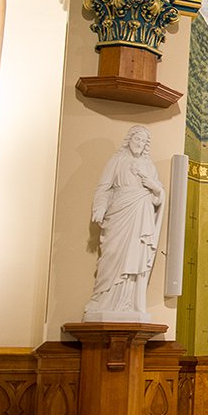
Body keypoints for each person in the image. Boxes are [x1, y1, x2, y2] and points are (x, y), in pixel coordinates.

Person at [84, 125, 164, 320]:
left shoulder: (149, 166)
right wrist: (100, 208)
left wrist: (155, 188)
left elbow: (158, 197)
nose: (139, 144)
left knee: (136, 257)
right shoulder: (117, 161)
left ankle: (130, 303)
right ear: (129, 140)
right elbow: (104, 188)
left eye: (143, 141)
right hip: (120, 213)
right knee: (112, 254)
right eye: (137, 139)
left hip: (141, 214)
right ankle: (102, 298)